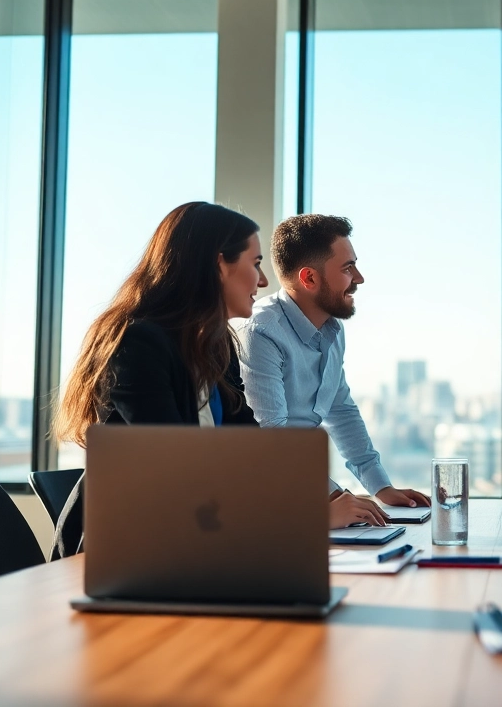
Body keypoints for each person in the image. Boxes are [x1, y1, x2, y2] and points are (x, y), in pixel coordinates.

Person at [52, 203, 385, 556]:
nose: (263, 281)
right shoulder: (139, 345)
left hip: (190, 545)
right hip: (122, 550)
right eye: (255, 264)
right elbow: (180, 478)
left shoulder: (216, 347)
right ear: (218, 267)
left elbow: (251, 454)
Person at [236, 214, 429, 513]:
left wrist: (381, 487)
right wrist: (335, 498)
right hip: (267, 499)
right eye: (347, 268)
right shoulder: (261, 332)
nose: (360, 278)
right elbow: (273, 437)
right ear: (309, 278)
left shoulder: (331, 330)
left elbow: (341, 410)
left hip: (304, 491)